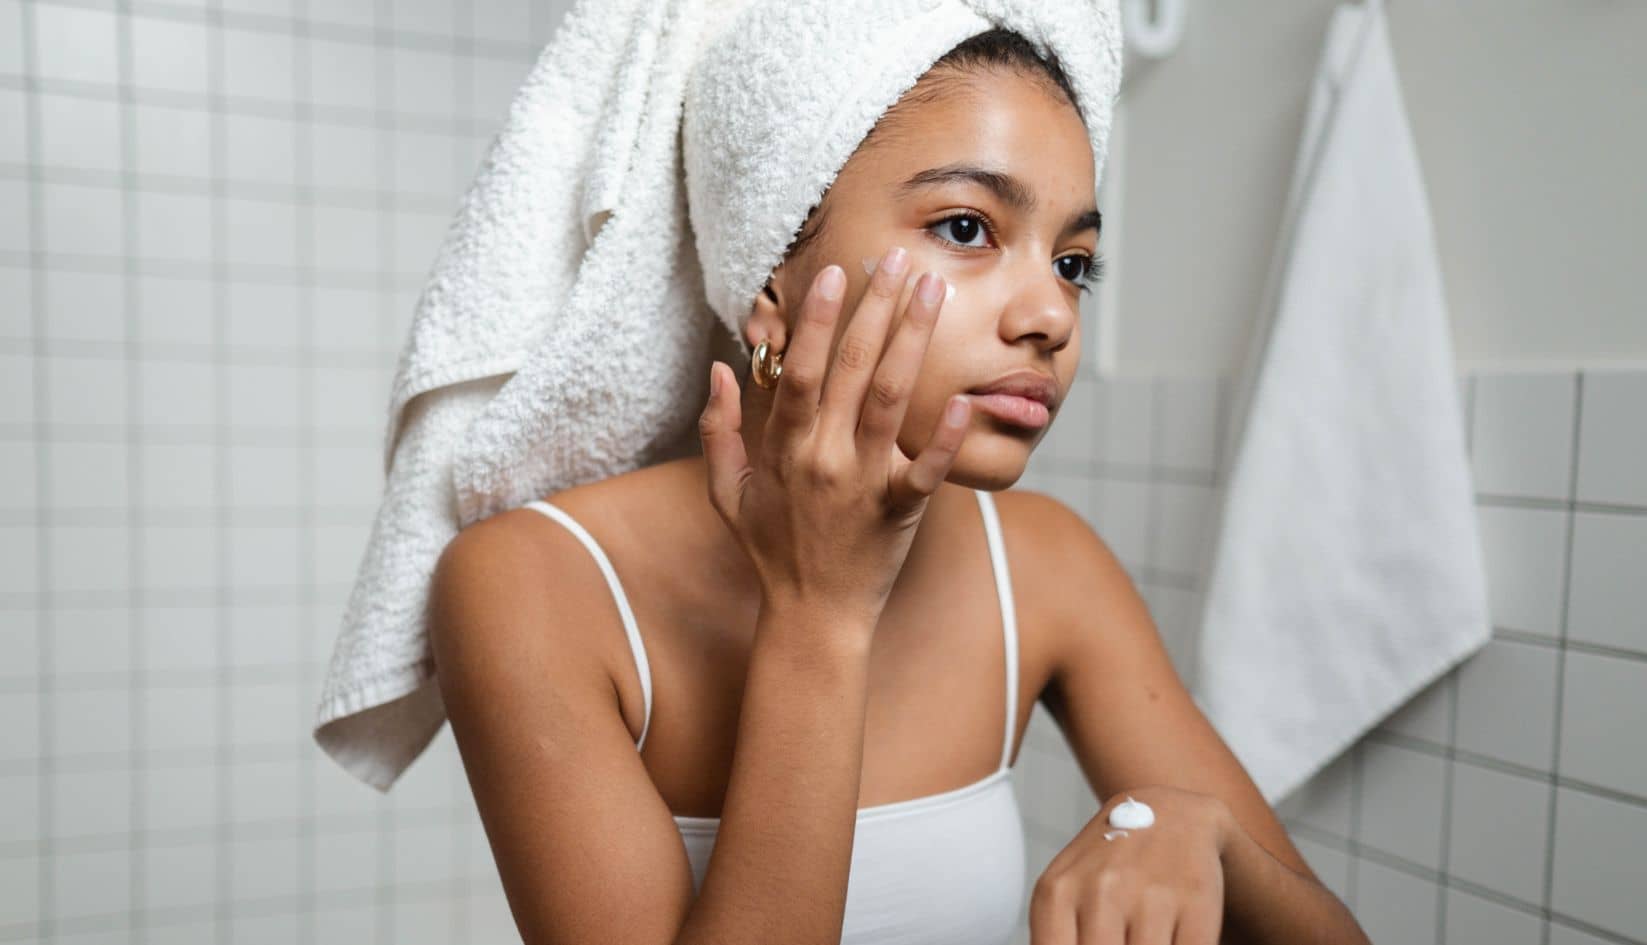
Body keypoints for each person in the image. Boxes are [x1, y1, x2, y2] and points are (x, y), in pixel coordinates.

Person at [426, 26, 1372, 945]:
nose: (1050, 312)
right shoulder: (528, 585)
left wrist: (1206, 836)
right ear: (770, 279)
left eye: (1073, 261)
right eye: (967, 228)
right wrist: (820, 612)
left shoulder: (1046, 566)